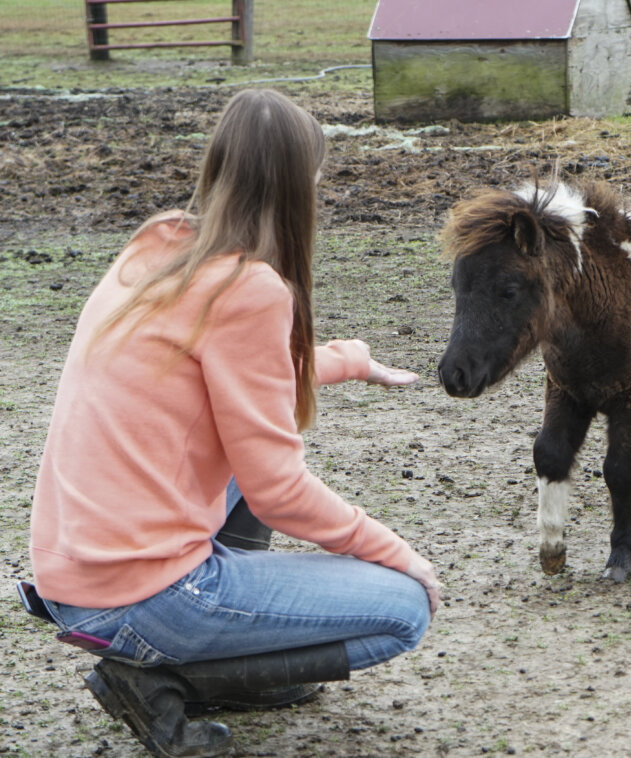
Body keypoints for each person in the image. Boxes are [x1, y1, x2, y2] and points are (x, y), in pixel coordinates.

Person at [27, 89, 440, 758]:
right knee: (404, 611)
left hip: (72, 568)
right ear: (295, 189)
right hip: (137, 594)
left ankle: (209, 648)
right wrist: (400, 553)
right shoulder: (249, 289)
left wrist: (349, 360)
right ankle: (163, 677)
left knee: (242, 467)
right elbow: (280, 490)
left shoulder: (160, 244)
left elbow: (227, 380)